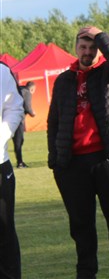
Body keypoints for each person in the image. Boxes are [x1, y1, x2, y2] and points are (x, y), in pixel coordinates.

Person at [47, 26, 109, 279]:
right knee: (81, 225)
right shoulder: (63, 80)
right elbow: (54, 121)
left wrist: (101, 36)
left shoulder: (108, 73)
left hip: (108, 158)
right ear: (76, 48)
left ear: (99, 50)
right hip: (73, 164)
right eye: (83, 47)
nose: (87, 52)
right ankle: (86, 273)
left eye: (92, 47)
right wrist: (56, 161)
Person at [1, 62, 24, 279]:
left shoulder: (2, 71)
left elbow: (15, 108)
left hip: (0, 164)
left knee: (4, 231)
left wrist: (0, 139)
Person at [11, 81, 35, 169]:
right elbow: (27, 107)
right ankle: (20, 163)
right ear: (32, 89)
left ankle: (19, 161)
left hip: (10, 117)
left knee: (16, 141)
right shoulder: (27, 92)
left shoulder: (19, 89)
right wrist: (33, 113)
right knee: (19, 141)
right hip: (18, 119)